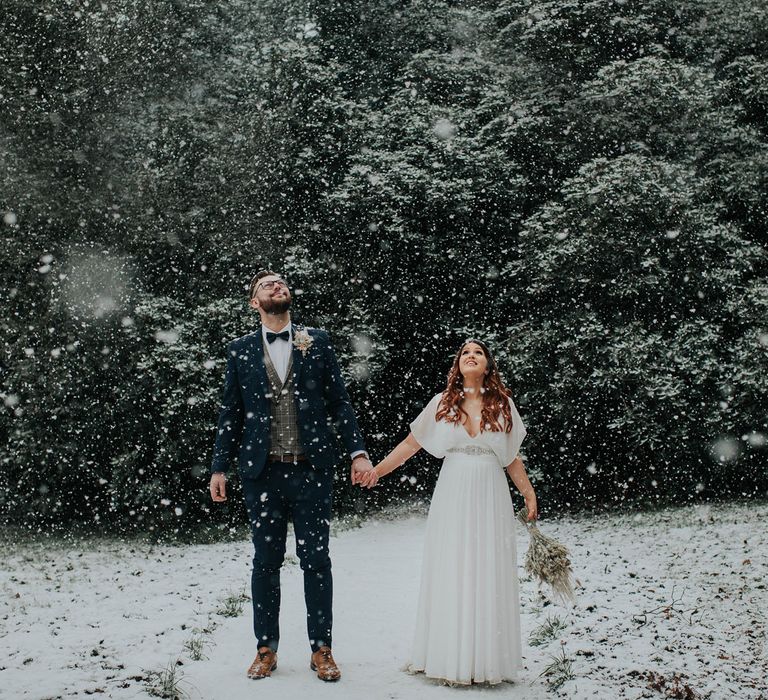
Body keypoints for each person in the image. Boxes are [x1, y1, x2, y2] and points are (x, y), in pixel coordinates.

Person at [209, 270, 374, 682]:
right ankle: (266, 648)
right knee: (265, 563)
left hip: (312, 471)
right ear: (254, 302)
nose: (277, 287)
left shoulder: (316, 341)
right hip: (261, 474)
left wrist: (357, 452)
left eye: (281, 283)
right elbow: (231, 412)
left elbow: (339, 400)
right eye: (267, 285)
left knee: (316, 561)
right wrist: (218, 467)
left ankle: (322, 649)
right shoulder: (240, 350)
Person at [360, 339, 537, 685]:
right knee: (453, 566)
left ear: (488, 365)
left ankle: (486, 660)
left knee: (487, 568)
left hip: (491, 493)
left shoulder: (503, 405)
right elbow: (412, 444)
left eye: (479, 353)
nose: (471, 356)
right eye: (465, 353)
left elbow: (511, 457)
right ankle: (448, 654)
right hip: (453, 491)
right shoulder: (441, 404)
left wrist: (528, 493)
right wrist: (377, 471)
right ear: (458, 365)